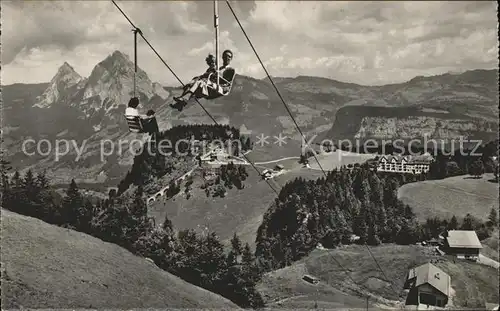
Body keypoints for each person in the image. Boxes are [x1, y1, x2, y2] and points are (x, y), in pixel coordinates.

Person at [170, 49, 235, 111]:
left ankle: (184, 99)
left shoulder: (230, 70)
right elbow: (212, 75)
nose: (227, 58)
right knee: (192, 84)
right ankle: (180, 104)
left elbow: (226, 82)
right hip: (212, 84)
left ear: (231, 58)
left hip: (220, 87)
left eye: (229, 56)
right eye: (225, 56)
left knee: (199, 82)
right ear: (223, 57)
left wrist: (215, 75)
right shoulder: (219, 68)